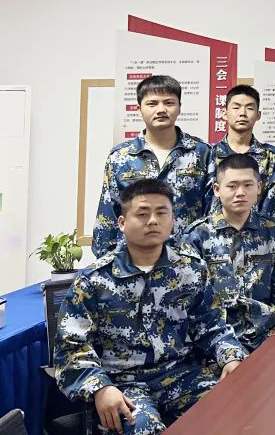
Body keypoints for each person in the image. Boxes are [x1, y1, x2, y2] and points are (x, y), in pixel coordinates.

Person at [55, 179, 246, 435]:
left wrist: (231, 357)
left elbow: (213, 327)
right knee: (142, 427)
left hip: (182, 375)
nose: (153, 221)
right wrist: (100, 388)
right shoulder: (94, 281)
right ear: (122, 223)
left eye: (161, 213)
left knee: (233, 413)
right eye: (143, 214)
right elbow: (71, 349)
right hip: (123, 384)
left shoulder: (190, 270)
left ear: (173, 220)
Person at [180, 153, 275, 353]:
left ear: (259, 187)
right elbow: (191, 299)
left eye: (247, 185)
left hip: (266, 333)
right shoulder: (197, 235)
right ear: (217, 190)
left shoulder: (273, 230)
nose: (240, 193)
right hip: (218, 337)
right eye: (232, 186)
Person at [92, 75, 214, 258]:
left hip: (189, 262)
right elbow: (108, 214)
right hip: (134, 261)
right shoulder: (121, 157)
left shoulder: (202, 152)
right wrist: (108, 261)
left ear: (179, 107)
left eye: (169, 103)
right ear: (139, 108)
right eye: (152, 103)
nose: (161, 109)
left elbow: (213, 211)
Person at [210, 84, 275, 218]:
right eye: (236, 107)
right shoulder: (209, 154)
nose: (242, 113)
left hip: (259, 229)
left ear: (258, 115)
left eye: (249, 108)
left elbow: (272, 204)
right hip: (215, 230)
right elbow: (206, 201)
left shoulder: (271, 156)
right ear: (224, 113)